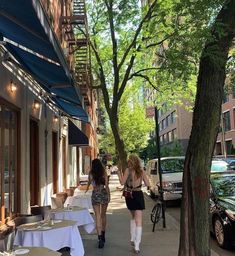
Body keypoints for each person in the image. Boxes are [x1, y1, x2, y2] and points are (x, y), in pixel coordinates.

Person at [117, 154, 150, 254]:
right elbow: (148, 184)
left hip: (130, 195)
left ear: (130, 161)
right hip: (138, 195)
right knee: (138, 221)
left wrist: (119, 174)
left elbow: (122, 183)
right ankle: (137, 245)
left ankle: (132, 237)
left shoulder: (128, 170)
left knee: (133, 217)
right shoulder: (141, 171)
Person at [85, 159, 110, 248]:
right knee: (103, 215)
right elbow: (106, 186)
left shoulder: (91, 173)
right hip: (103, 194)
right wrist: (109, 195)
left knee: (97, 216)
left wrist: (87, 188)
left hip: (95, 194)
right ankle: (103, 234)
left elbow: (89, 182)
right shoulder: (104, 172)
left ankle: (99, 238)